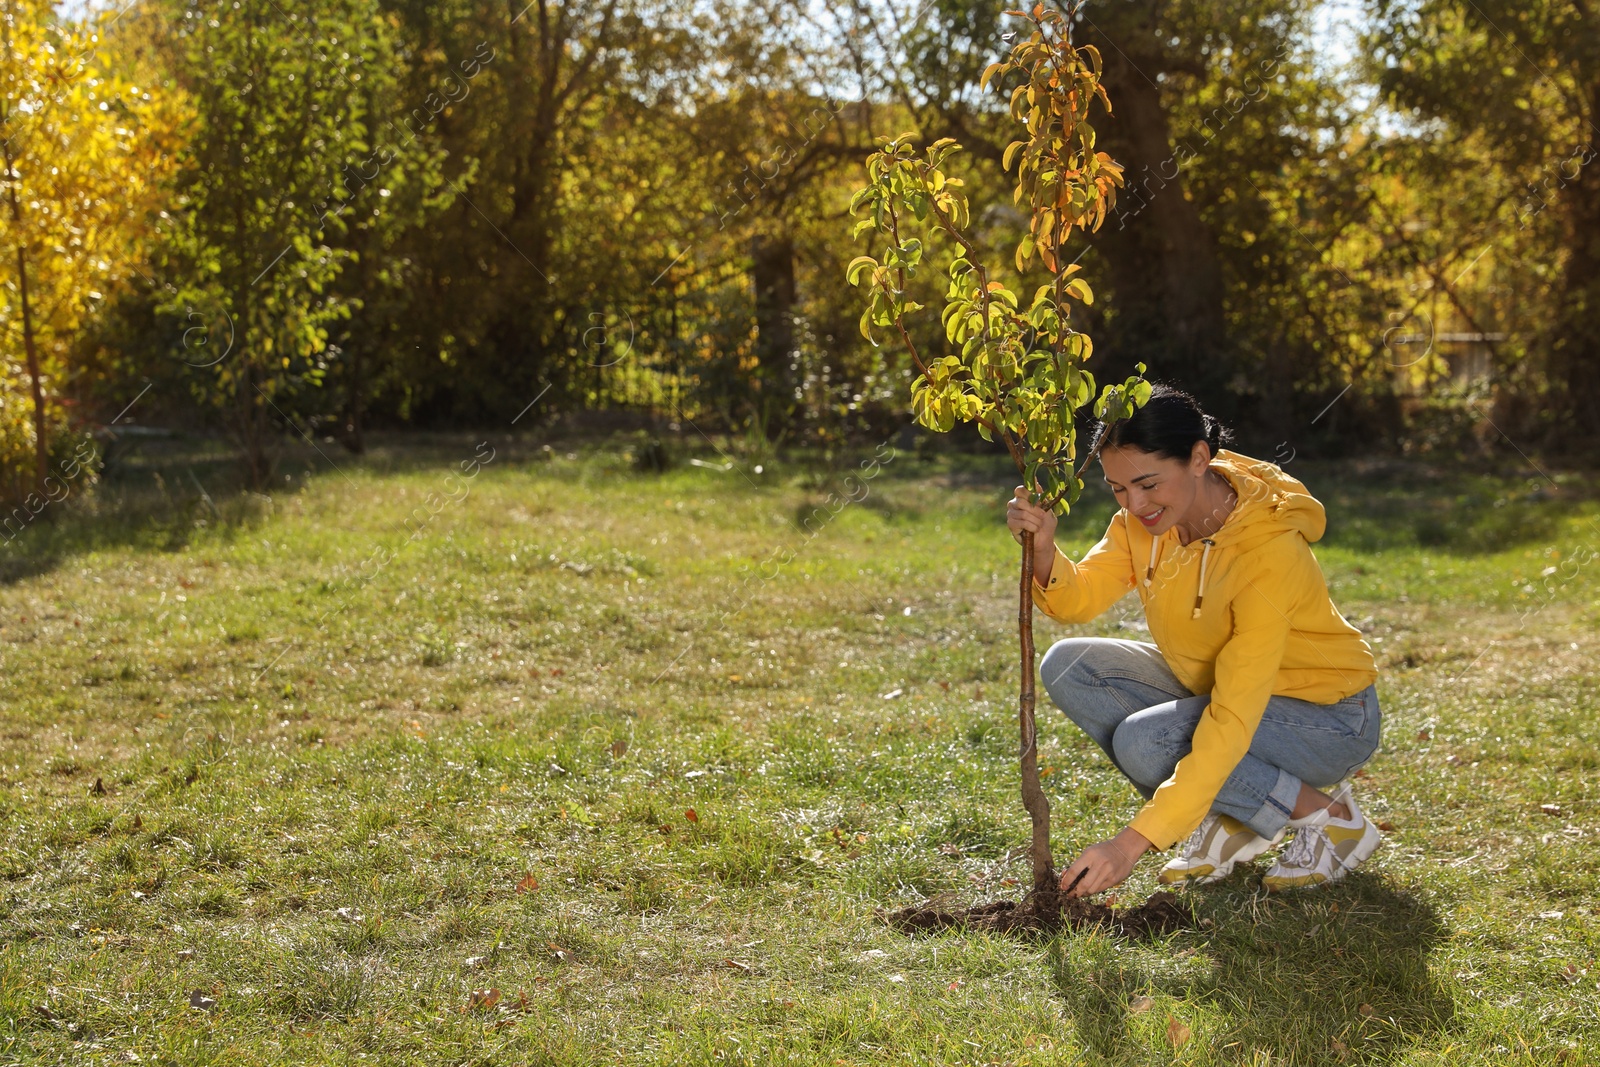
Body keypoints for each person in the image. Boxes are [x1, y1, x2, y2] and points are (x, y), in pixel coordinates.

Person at [1004, 385, 1382, 897]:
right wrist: (1045, 551)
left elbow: (1232, 718)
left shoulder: (1268, 552)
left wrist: (1131, 843)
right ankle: (1226, 821)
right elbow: (1080, 597)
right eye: (1117, 488)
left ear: (1199, 458)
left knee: (1146, 741)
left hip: (1328, 717)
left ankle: (1333, 821)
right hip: (1217, 690)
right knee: (1072, 665)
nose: (1135, 504)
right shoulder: (1145, 523)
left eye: (1147, 484)